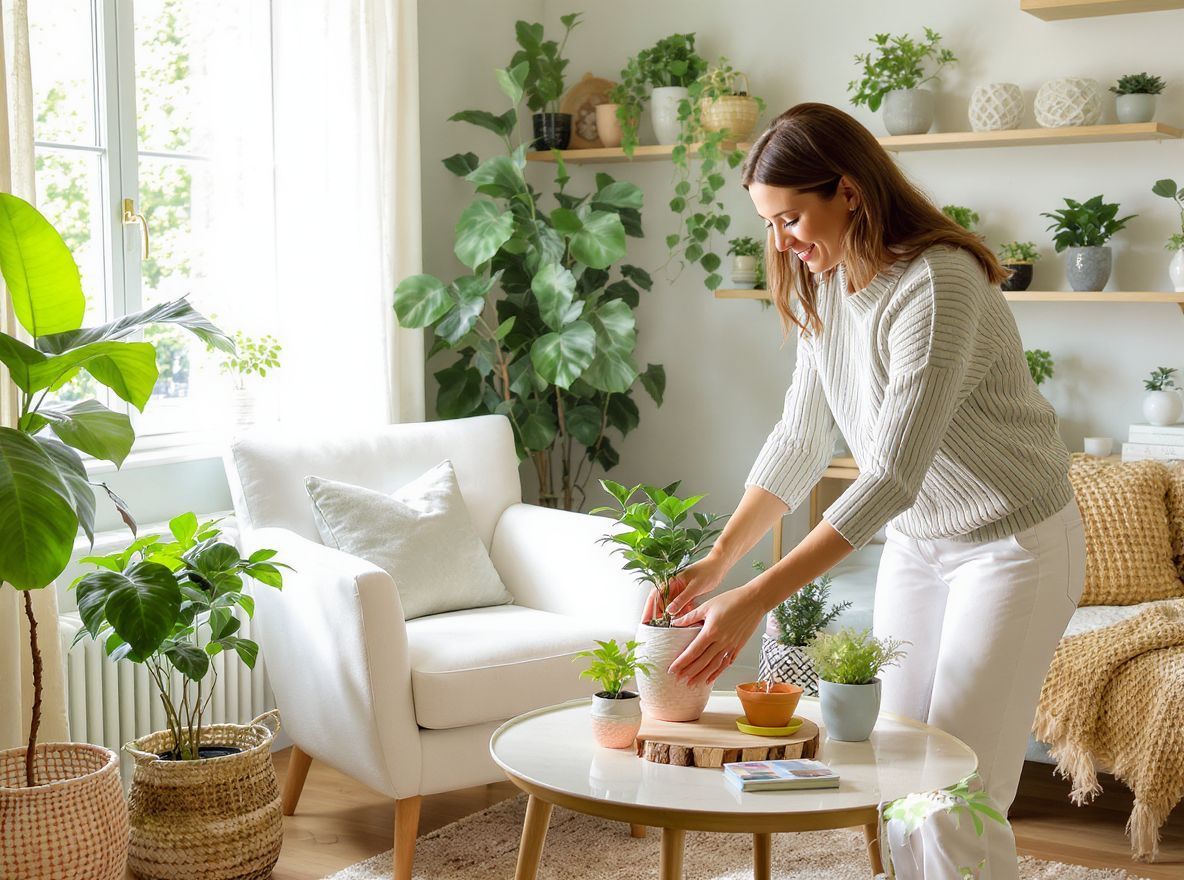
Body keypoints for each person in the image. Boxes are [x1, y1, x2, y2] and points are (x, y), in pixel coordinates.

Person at [654, 103, 1086, 880]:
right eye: (770, 225)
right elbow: (799, 440)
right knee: (896, 771)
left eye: (791, 218)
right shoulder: (824, 284)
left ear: (848, 191)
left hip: (1012, 546)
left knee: (960, 787)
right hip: (919, 544)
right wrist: (720, 560)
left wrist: (755, 597)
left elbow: (890, 473)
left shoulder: (939, 284)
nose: (781, 242)